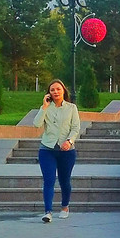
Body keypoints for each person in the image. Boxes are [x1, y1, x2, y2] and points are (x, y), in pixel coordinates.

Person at [32, 79, 80, 223]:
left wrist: (69, 141)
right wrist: (44, 107)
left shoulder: (71, 108)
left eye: (58, 89)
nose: (55, 92)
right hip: (47, 149)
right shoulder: (46, 108)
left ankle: (65, 206)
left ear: (63, 91)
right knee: (49, 180)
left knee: (65, 180)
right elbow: (36, 124)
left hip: (67, 151)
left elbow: (75, 128)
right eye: (52, 90)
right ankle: (48, 212)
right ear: (49, 93)